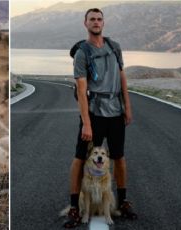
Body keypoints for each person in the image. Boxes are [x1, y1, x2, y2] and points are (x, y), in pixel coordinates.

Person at [63, 8, 137, 228]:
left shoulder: (114, 47)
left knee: (119, 157)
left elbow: (122, 77)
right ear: (85, 24)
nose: (96, 22)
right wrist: (86, 122)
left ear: (103, 23)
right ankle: (75, 207)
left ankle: (122, 202)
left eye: (99, 19)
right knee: (79, 157)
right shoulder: (82, 53)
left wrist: (127, 106)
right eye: (92, 19)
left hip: (115, 111)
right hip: (94, 112)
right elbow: (82, 89)